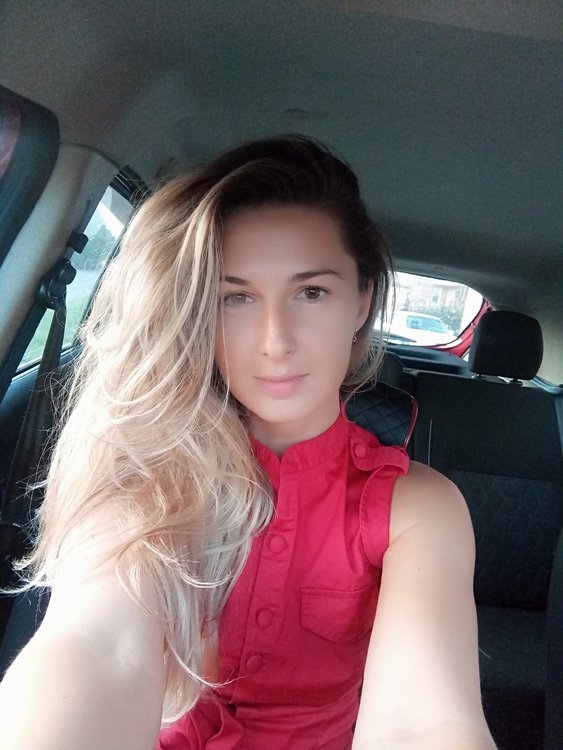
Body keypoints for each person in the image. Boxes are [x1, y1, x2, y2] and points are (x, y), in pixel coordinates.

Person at [0, 136, 496, 750]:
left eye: (311, 292)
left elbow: (423, 721)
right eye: (235, 298)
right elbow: (98, 649)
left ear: (361, 301)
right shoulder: (146, 469)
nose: (274, 340)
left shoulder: (415, 508)